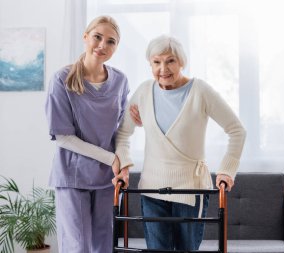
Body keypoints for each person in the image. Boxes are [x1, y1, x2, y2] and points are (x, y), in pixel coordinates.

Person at [112, 34, 246, 251]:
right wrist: (125, 167)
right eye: (156, 62)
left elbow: (237, 130)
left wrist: (227, 171)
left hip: (190, 190)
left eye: (170, 61)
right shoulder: (144, 91)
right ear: (150, 64)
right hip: (151, 190)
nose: (163, 68)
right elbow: (123, 134)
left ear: (181, 62)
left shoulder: (200, 91)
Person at [45, 16, 129, 253]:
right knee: (77, 245)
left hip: (108, 179)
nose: (103, 45)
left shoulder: (120, 81)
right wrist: (111, 159)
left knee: (104, 245)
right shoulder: (62, 79)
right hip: (73, 175)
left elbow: (122, 130)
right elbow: (62, 136)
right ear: (85, 37)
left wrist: (124, 163)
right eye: (98, 37)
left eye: (111, 41)